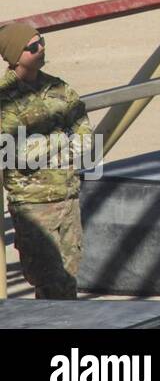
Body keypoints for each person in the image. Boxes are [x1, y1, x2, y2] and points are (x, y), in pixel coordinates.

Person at [0, 23, 93, 299]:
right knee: (48, 284)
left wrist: (46, 142)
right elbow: (20, 154)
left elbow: (88, 143)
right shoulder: (5, 99)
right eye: (32, 46)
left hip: (67, 198)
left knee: (69, 279)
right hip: (34, 206)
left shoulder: (59, 88)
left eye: (41, 41)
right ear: (16, 55)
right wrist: (64, 137)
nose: (41, 49)